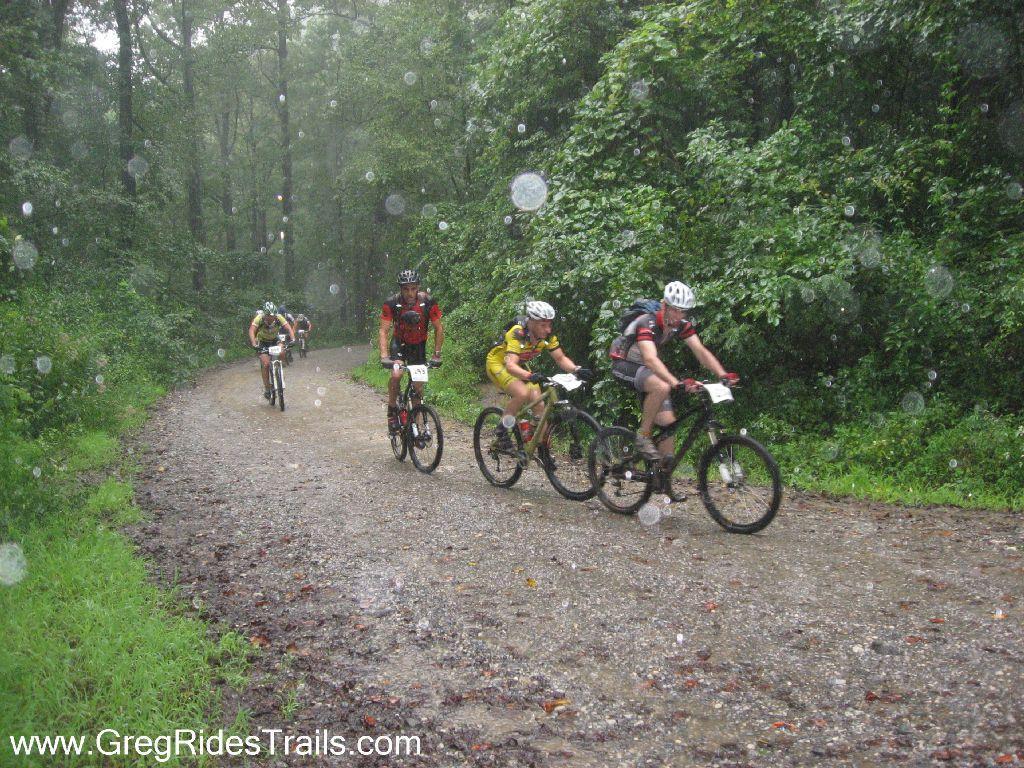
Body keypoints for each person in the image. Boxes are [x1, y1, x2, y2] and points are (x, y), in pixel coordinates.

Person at [609, 281, 738, 461]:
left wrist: (722, 374)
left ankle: (663, 476)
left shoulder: (682, 325)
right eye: (675, 310)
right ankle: (643, 437)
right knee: (662, 386)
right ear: (664, 306)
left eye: (683, 311)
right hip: (624, 363)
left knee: (669, 424)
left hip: (646, 369)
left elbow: (700, 351)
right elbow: (650, 359)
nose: (678, 315)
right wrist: (676, 382)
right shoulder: (647, 322)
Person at [485, 300, 593, 451]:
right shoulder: (518, 333)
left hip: (520, 365)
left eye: (549, 324)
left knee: (539, 406)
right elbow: (510, 366)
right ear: (531, 322)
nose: (548, 329)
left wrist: (576, 369)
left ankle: (543, 450)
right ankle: (502, 430)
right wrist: (529, 376)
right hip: (499, 363)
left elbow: (560, 358)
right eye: (543, 325)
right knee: (522, 393)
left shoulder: (548, 336)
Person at [379, 269, 443, 432]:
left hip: (418, 346)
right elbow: (384, 331)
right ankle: (392, 411)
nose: (410, 293)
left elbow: (438, 329)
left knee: (418, 387)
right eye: (406, 289)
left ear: (418, 287)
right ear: (400, 289)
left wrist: (436, 355)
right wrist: (385, 356)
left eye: (413, 288)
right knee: (396, 374)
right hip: (398, 345)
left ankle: (416, 425)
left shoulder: (428, 302)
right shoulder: (391, 303)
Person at [249, 301, 295, 399]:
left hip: (275, 339)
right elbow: (252, 330)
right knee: (265, 364)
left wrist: (293, 339)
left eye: (273, 316)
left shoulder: (279, 317)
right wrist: (254, 343)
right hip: (263, 342)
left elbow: (289, 328)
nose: (271, 318)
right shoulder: (259, 318)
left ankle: (279, 370)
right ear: (265, 315)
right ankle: (267, 389)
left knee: (282, 352)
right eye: (269, 316)